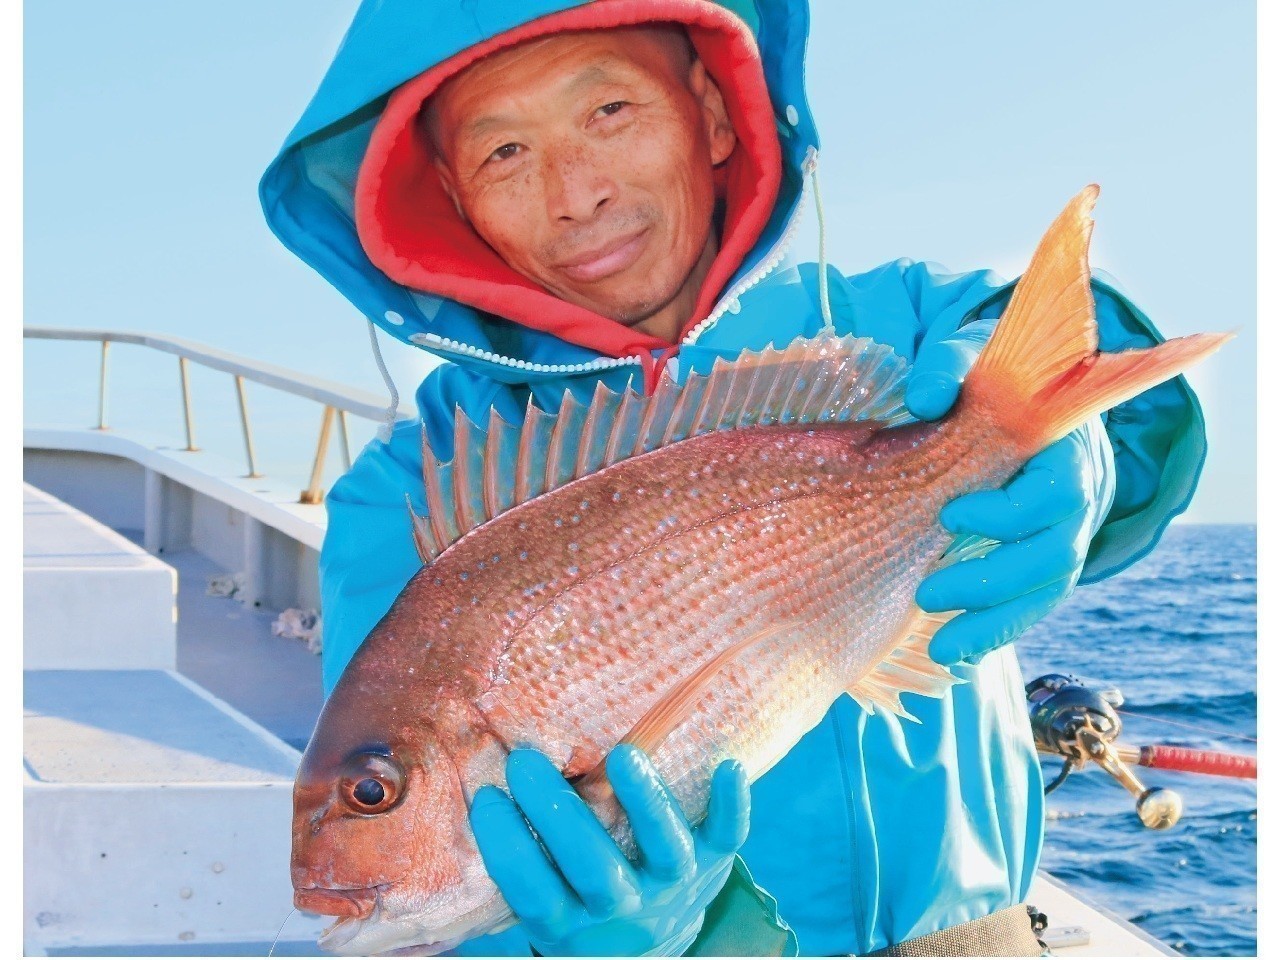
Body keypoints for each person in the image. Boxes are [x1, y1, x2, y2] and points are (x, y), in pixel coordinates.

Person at [259, 1, 1208, 955]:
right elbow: (435, 885)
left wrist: (1089, 447)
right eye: (503, 153)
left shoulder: (893, 322)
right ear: (448, 201)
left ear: (712, 113)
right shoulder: (409, 492)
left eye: (610, 112)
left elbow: (1097, 361)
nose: (575, 191)